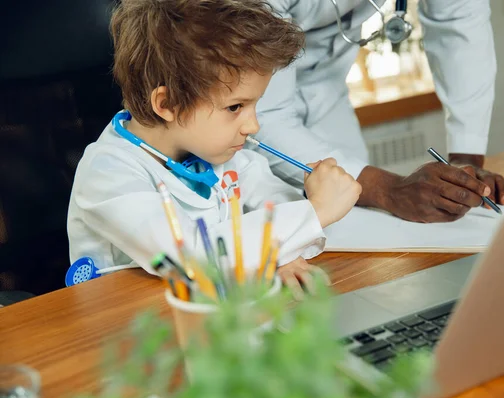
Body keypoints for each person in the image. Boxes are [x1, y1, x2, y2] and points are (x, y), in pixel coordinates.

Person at [66, 0, 361, 298]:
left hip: (207, 313)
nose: (253, 126)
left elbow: (275, 202)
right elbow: (194, 258)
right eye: (235, 107)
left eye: (254, 105)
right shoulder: (107, 174)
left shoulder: (221, 154)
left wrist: (283, 252)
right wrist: (317, 211)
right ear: (167, 104)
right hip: (126, 328)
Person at [256, 0, 504, 223]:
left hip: (328, 94)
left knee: (359, 224)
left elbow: (460, 23)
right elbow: (262, 115)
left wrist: (464, 161)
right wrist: (388, 190)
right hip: (247, 102)